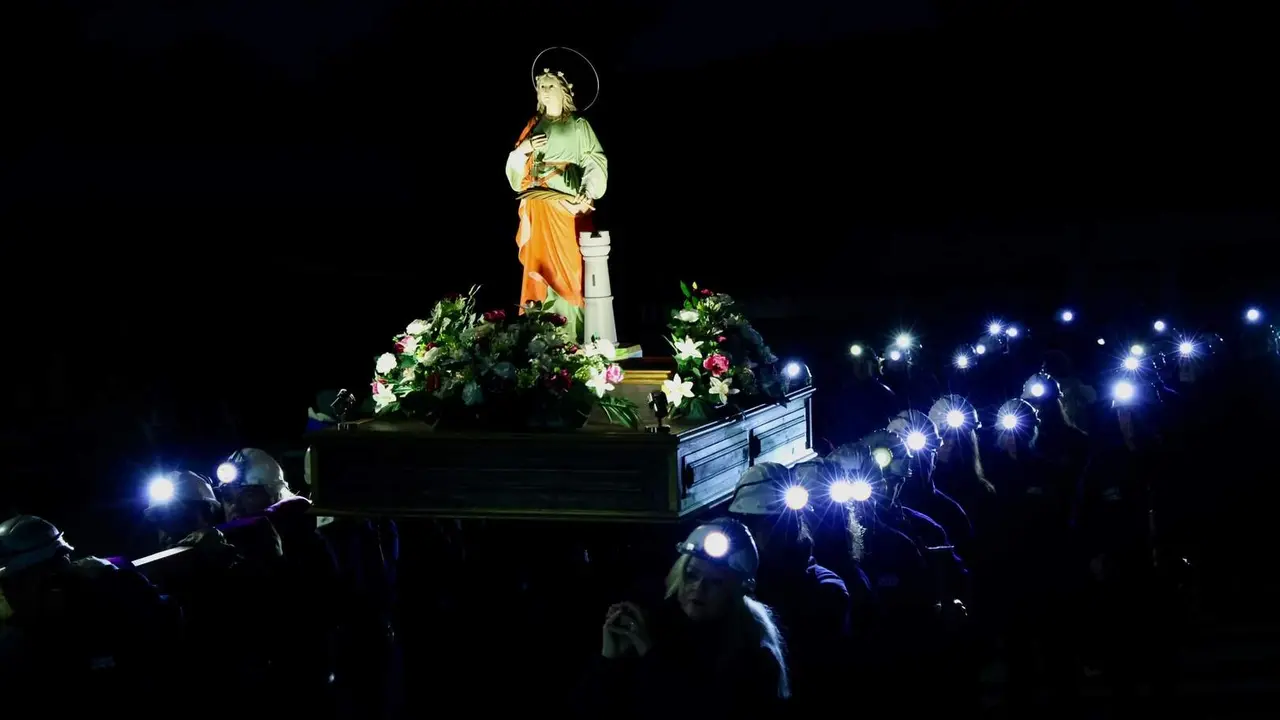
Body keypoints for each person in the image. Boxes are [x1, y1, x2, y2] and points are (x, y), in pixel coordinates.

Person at [585, 518, 789, 717]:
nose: (699, 588)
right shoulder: (652, 626)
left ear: (735, 592)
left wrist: (652, 657)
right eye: (692, 575)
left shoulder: (755, 656)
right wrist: (609, 661)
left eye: (716, 582)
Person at [728, 462, 850, 705]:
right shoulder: (727, 582)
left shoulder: (825, 589)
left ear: (794, 524)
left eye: (777, 522)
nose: (768, 533)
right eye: (756, 523)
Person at [505, 68, 608, 341]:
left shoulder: (577, 125)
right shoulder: (534, 124)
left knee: (570, 268)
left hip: (566, 206)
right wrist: (524, 149)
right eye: (540, 86)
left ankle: (571, 336)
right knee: (538, 265)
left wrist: (589, 190)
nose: (544, 90)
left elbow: (595, 160)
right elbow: (516, 165)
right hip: (538, 205)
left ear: (564, 90)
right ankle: (539, 337)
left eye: (550, 85)